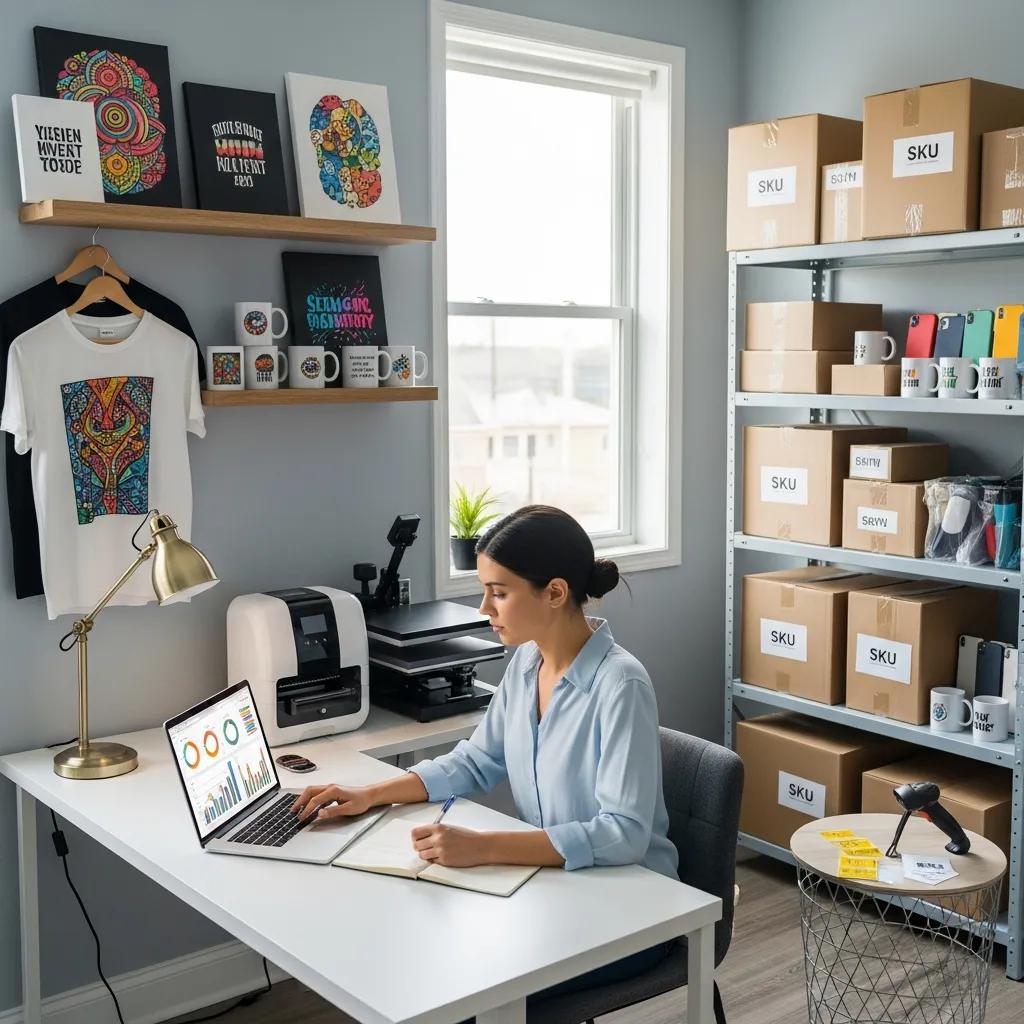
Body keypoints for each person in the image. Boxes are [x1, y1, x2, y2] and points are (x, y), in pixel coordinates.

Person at [292, 505, 678, 1007]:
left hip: (632, 910)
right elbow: (475, 761)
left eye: (499, 592)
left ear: (555, 593)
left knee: (463, 994)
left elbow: (623, 835)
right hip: (559, 891)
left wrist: (484, 846)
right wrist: (370, 794)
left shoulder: (620, 684)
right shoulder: (526, 664)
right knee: (427, 964)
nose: (484, 608)